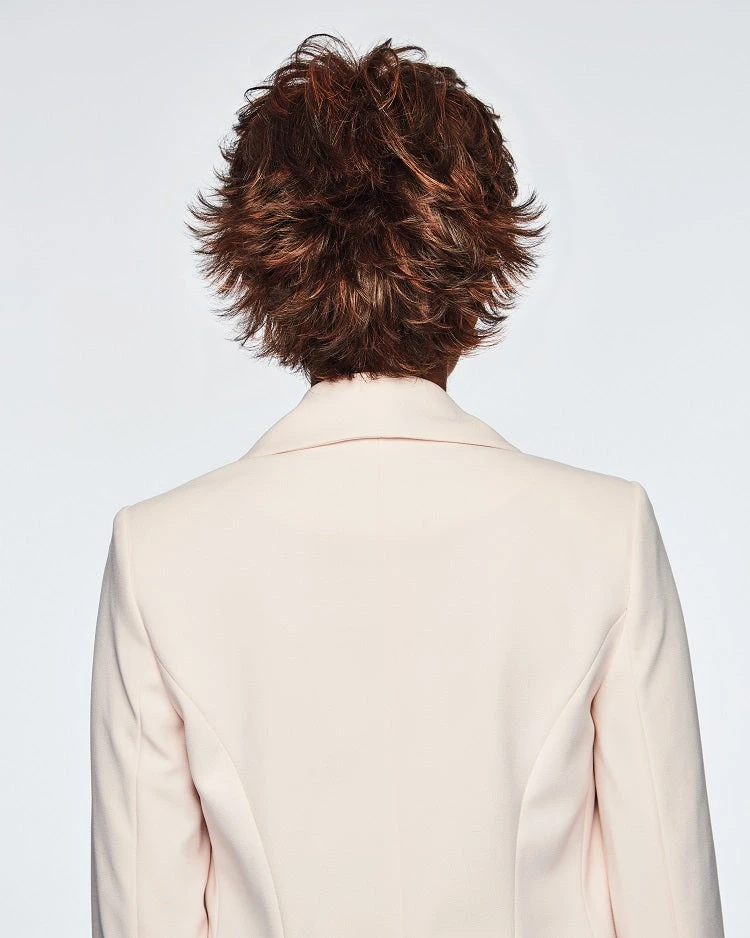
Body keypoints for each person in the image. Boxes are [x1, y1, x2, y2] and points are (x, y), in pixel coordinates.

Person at [89, 33, 725, 938]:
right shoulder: (604, 536)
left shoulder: (160, 554)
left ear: (261, 264)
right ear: (480, 260)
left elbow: (145, 915)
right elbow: (670, 908)